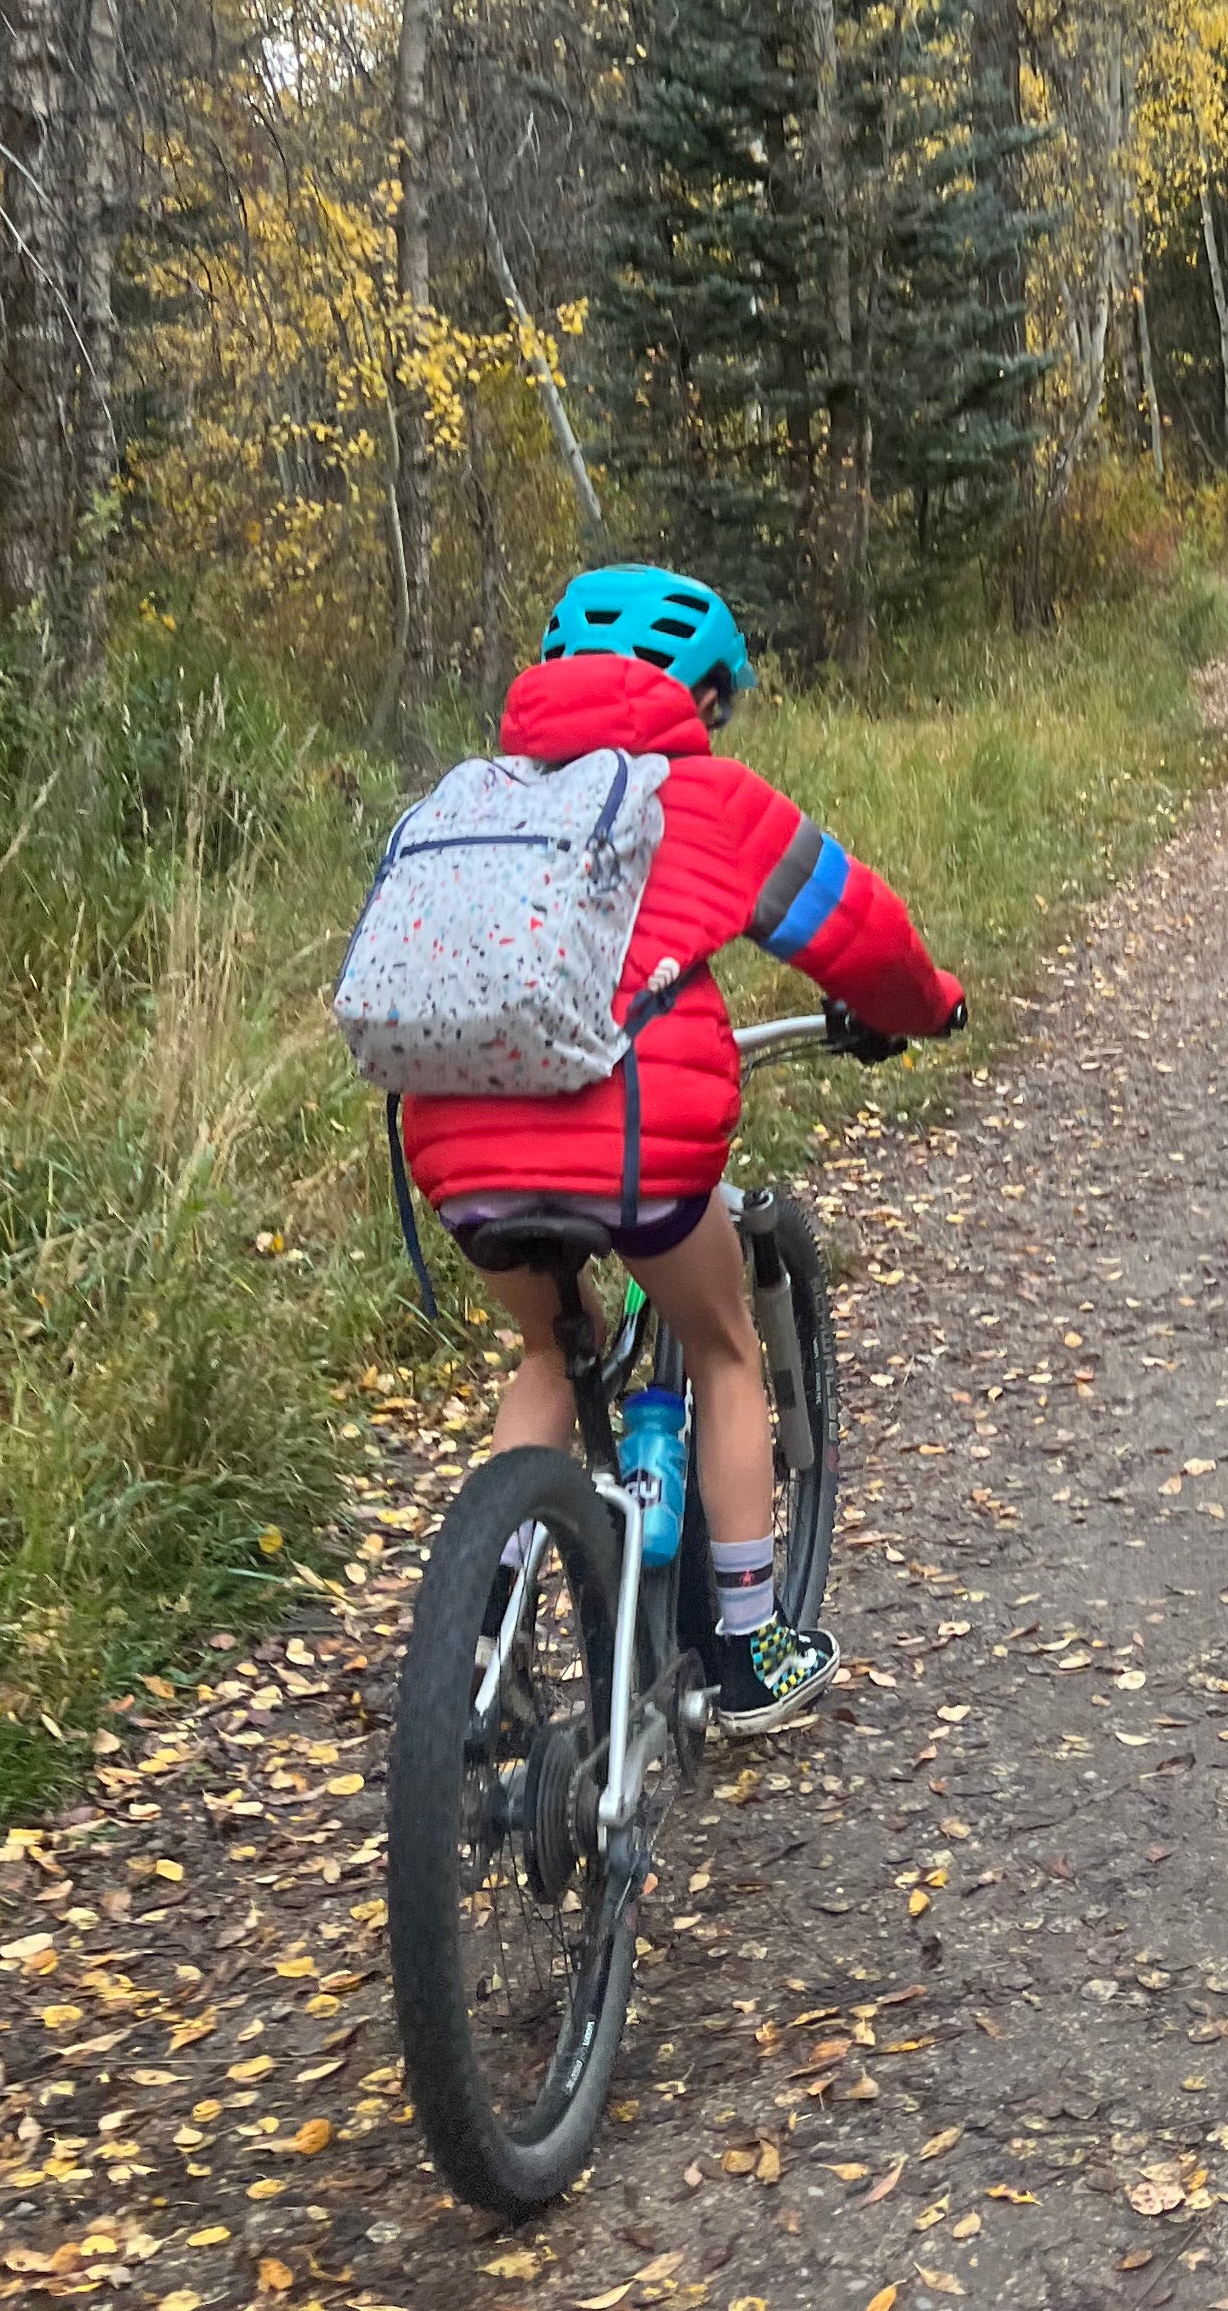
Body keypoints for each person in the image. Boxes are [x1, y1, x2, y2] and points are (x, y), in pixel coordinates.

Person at [400, 564, 964, 1729]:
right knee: (724, 1346)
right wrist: (929, 1007)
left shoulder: (472, 796)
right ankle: (751, 1649)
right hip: (635, 1149)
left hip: (454, 1142)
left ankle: (474, 1643)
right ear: (702, 699)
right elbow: (859, 934)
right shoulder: (704, 798)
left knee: (555, 1354)